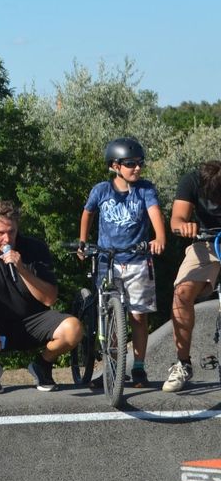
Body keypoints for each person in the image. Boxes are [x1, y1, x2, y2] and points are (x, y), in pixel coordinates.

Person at [0, 200, 82, 393]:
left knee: (74, 328)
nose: (7, 239)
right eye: (0, 233)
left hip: (33, 322)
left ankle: (42, 365)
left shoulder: (35, 248)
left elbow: (49, 299)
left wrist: (22, 269)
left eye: (11, 232)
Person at [77, 138, 165, 388]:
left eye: (140, 163)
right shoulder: (101, 190)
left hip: (137, 260)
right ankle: (112, 368)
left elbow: (155, 213)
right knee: (111, 317)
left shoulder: (145, 190)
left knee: (138, 316)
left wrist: (159, 237)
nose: (137, 168)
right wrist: (83, 242)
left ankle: (138, 367)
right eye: (130, 164)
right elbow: (88, 213)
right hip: (108, 260)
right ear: (115, 166)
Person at [167, 160, 221, 392]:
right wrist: (185, 227)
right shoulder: (192, 180)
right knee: (182, 293)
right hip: (206, 243)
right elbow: (176, 219)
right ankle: (183, 363)